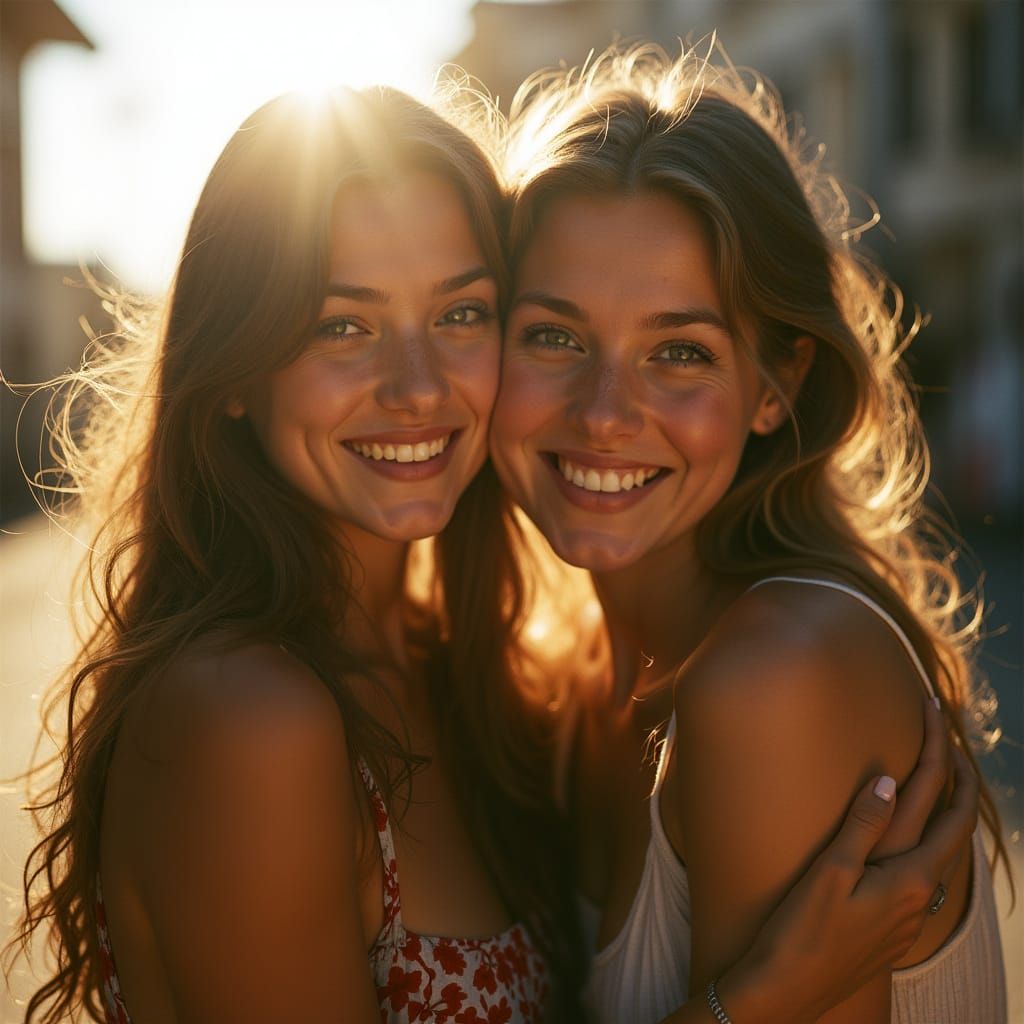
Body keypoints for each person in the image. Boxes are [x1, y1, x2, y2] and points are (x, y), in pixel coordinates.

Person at [7, 81, 982, 1024]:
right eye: (341, 323)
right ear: (234, 369)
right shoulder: (250, 717)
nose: (418, 388)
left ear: (776, 383)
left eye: (461, 313)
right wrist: (757, 1001)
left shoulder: (502, 685)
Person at [491, 43, 1010, 1023]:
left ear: (776, 386)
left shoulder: (777, 674)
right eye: (554, 335)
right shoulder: (566, 671)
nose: (605, 413)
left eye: (678, 351)